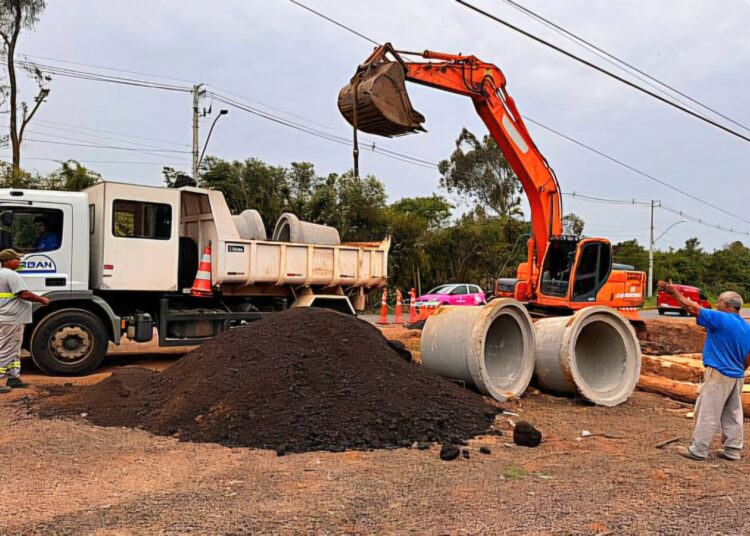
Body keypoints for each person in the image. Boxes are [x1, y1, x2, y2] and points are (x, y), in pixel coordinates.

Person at [657, 280, 750, 461]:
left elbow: (692, 307)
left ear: (726, 305)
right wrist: (740, 369)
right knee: (733, 412)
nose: (716, 305)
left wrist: (672, 291)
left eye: (719, 303)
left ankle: (699, 449)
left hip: (719, 373)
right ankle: (733, 449)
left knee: (708, 410)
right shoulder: (747, 327)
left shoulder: (720, 318)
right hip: (737, 375)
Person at [0, 249, 49, 393]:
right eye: (17, 259)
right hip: (10, 318)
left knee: (14, 348)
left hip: (9, 317)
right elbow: (24, 294)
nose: (19, 262)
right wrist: (42, 300)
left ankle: (13, 377)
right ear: (8, 261)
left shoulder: (3, 274)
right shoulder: (11, 275)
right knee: (6, 349)